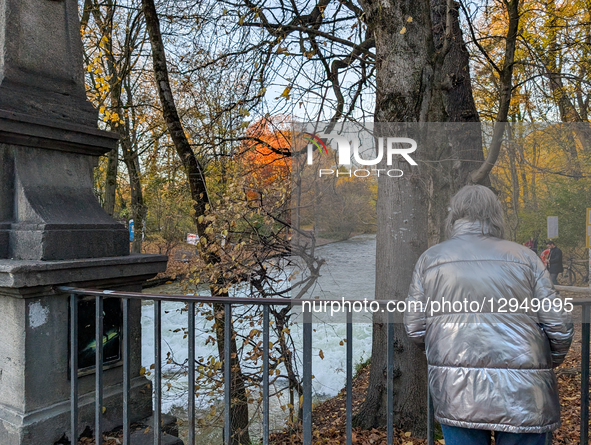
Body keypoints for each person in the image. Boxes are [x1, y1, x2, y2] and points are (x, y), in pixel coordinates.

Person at [404, 185, 573, 445]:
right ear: (495, 214)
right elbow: (559, 326)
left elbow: (415, 327)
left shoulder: (430, 260)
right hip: (524, 392)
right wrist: (545, 362)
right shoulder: (526, 258)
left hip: (458, 390)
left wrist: (444, 351)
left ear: (455, 215)